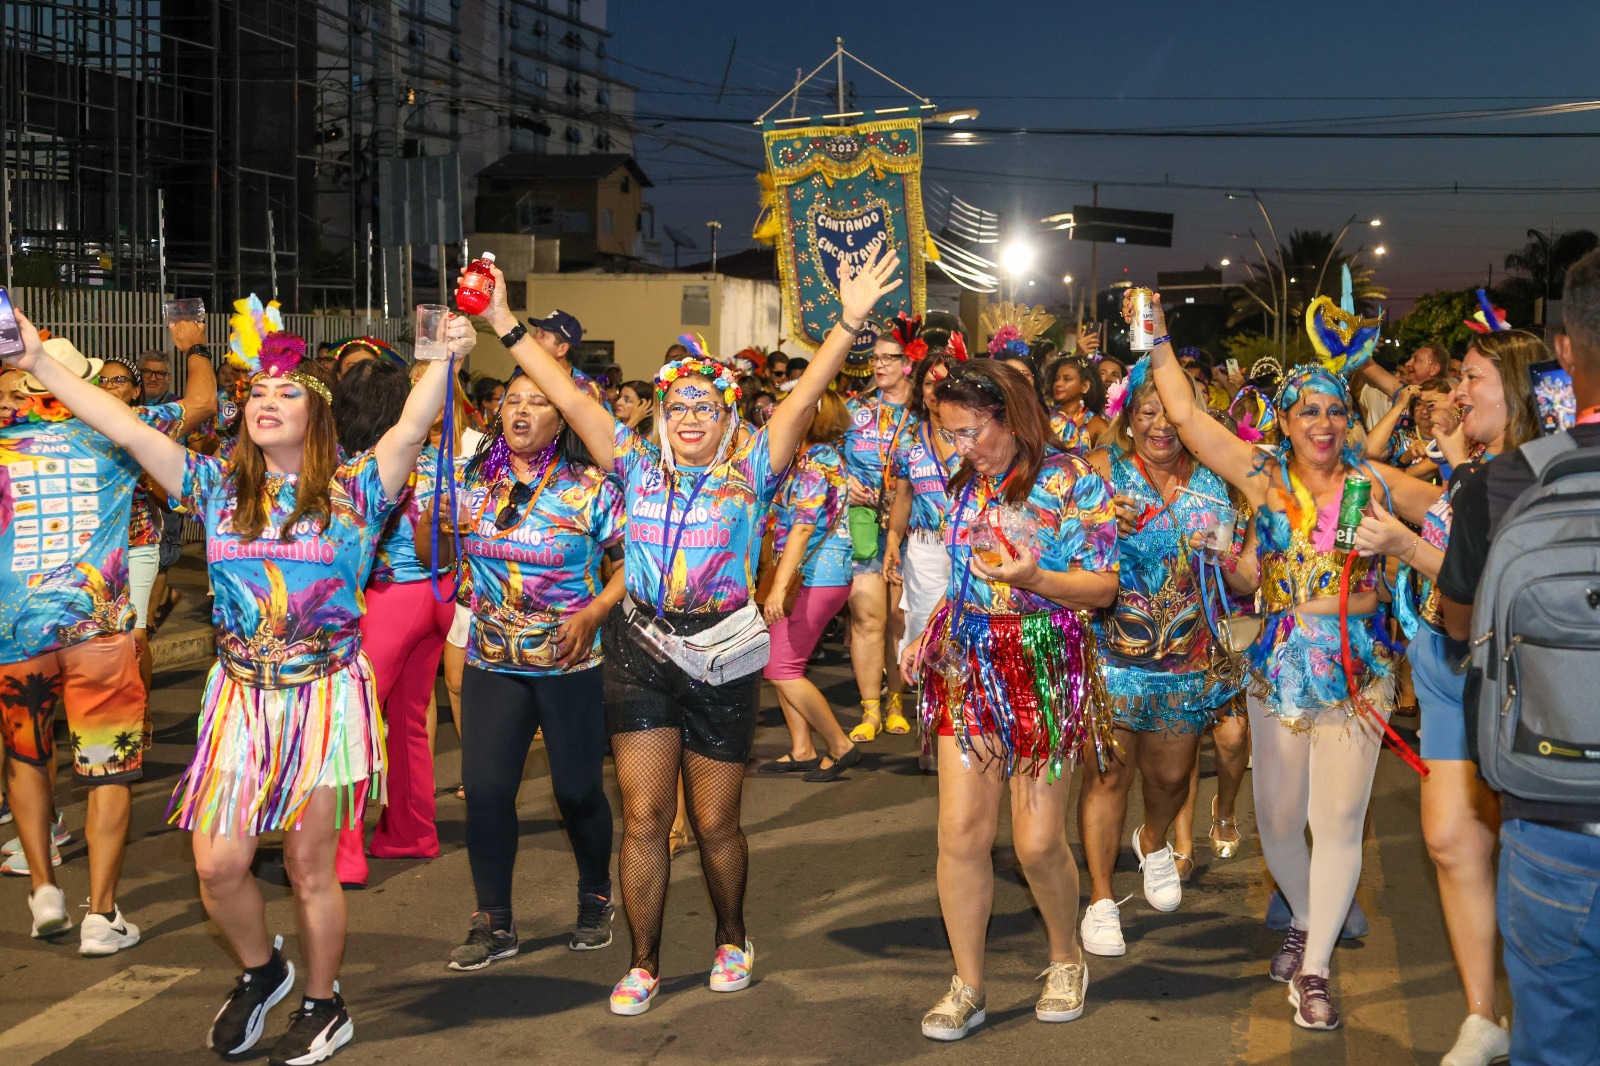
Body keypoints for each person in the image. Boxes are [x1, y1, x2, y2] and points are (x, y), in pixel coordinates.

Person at [8, 296, 473, 1063]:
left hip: (323, 702)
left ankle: (324, 1004)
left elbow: (412, 425)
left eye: (286, 391)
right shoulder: (216, 487)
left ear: (317, 417)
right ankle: (263, 971)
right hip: (239, 703)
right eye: (257, 390)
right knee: (218, 866)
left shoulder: (358, 491)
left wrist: (447, 355)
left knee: (308, 867)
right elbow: (123, 427)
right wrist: (35, 362)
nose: (265, 399)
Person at [471, 242, 901, 1015]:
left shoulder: (752, 468)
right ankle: (643, 962)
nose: (692, 417)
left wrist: (847, 323)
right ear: (662, 418)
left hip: (724, 655)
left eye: (706, 406)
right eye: (679, 407)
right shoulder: (633, 464)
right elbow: (566, 394)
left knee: (714, 822)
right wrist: (503, 319)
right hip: (641, 653)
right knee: (644, 816)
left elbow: (806, 394)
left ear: (727, 415)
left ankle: (732, 935)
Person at [1145, 282, 1439, 1031]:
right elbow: (1187, 415)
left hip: (1358, 666)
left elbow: (1456, 512)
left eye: (1336, 409)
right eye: (1308, 409)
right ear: (1283, 419)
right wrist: (1156, 334)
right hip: (1278, 664)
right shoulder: (1263, 477)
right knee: (1277, 820)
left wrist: (1415, 542)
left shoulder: (1372, 481)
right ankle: (1308, 917)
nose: (1324, 422)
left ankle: (1314, 972)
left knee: (1337, 821)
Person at [896, 360, 1119, 1041]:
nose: (961, 447)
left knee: (1038, 841)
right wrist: (927, 633)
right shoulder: (964, 486)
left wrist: (1037, 577)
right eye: (949, 433)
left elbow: (1103, 587)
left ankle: (1065, 957)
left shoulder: (1073, 479)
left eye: (971, 431)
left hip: (1044, 665)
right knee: (960, 833)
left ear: (1011, 418)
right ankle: (967, 984)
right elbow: (961, 579)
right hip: (969, 665)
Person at [1355, 328, 1541, 1065]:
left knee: (1526, 855)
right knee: (1451, 842)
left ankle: (1540, 1016)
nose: (1457, 393)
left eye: (1471, 378)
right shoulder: (1478, 469)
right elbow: (1434, 503)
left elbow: (1485, 585)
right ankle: (1482, 1015)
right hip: (1439, 666)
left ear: (1518, 387)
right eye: (1457, 378)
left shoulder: (1537, 478)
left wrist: (1403, 546)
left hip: (1497, 677)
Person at [0, 329, 213, 950]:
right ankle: (101, 914)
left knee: (26, 757)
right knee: (108, 772)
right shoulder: (116, 428)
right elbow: (203, 403)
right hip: (101, 630)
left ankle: (43, 887)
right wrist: (195, 348)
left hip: (17, 631)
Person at [1438, 249, 1600, 1066]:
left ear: (1563, 352)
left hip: (1553, 817)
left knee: (1559, 1041)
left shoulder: (1504, 483)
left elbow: (1460, 630)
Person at [445, 370, 628, 970]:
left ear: (563, 416)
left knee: (576, 791)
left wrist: (595, 612)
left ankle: (595, 895)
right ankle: (493, 921)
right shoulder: (473, 479)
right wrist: (435, 526)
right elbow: (434, 559)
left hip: (569, 662)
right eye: (512, 401)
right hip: (492, 659)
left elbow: (634, 562)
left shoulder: (592, 487)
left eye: (538, 402)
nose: (521, 411)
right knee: (486, 791)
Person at [1076, 358, 1240, 957]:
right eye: (1148, 413)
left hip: (1183, 662)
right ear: (1129, 420)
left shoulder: (1214, 483)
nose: (1161, 426)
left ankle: (1151, 838)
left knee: (1171, 777)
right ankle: (1100, 899)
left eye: (1172, 413)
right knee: (1106, 776)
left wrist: (1220, 552)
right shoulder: (1102, 473)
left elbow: (1240, 571)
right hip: (1110, 653)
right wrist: (1098, 525)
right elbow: (1065, 547)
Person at [328, 359, 456, 888]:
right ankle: (411, 832)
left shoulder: (358, 468)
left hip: (388, 599)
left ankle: (341, 853)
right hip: (438, 595)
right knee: (408, 722)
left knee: (349, 723)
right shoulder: (431, 460)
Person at [96, 340, 218, 693]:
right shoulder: (79, 426)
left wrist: (195, 347)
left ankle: (142, 710)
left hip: (138, 543)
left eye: (119, 381)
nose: (109, 386)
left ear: (136, 392)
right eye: (103, 380)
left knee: (134, 634)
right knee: (99, 639)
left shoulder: (144, 423)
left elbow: (202, 404)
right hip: (94, 552)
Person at [756, 391, 858, 783]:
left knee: (781, 668)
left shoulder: (818, 460)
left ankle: (840, 745)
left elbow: (802, 527)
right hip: (814, 572)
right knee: (784, 662)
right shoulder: (810, 457)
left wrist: (778, 588)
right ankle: (802, 748)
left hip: (816, 574)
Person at [841, 316, 919, 742]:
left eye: (890, 358)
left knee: (897, 619)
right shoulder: (856, 410)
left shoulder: (926, 413)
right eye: (875, 358)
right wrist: (843, 481)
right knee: (867, 617)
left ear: (909, 363)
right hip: (864, 524)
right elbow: (824, 455)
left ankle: (897, 702)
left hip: (914, 528)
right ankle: (870, 708)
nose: (880, 365)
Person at [883, 331, 968, 669]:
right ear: (919, 389)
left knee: (966, 630)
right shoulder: (908, 438)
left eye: (944, 382)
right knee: (924, 631)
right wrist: (893, 539)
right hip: (925, 549)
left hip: (971, 546)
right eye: (930, 384)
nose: (936, 391)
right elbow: (903, 497)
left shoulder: (977, 434)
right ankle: (929, 697)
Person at [1043, 354, 1108, 456]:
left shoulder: (1096, 424)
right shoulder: (1043, 415)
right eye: (1056, 378)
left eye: (1066, 379)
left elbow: (1113, 459)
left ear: (1085, 386)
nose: (1058, 384)